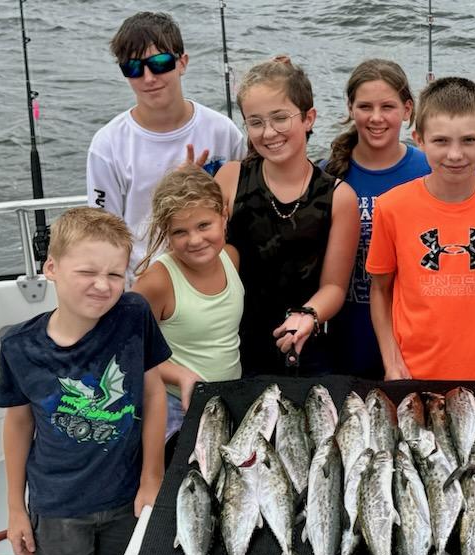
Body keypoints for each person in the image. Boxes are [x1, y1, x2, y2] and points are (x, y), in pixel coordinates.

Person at [0, 207, 170, 555]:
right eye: (87, 271)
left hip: (127, 500)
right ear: (51, 268)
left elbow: (152, 393)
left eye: (115, 274)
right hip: (57, 510)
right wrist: (16, 510)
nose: (103, 285)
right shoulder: (17, 346)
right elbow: (18, 425)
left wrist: (152, 478)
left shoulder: (134, 315)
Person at [366, 77, 475, 381]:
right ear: (419, 138)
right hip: (411, 372)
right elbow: (380, 289)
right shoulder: (391, 207)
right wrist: (392, 363)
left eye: (469, 140)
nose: (455, 154)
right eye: (441, 141)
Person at [215, 56, 359, 376]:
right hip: (235, 346)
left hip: (307, 347)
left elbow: (334, 286)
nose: (269, 133)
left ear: (309, 118)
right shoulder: (229, 177)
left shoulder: (339, 197)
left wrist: (308, 315)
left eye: (280, 118)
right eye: (255, 122)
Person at [86, 11, 245, 277]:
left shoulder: (223, 131)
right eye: (133, 68)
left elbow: (243, 208)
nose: (148, 78)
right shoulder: (107, 145)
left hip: (216, 278)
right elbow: (104, 232)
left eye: (159, 63)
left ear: (182, 63)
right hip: (144, 284)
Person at [323, 59, 431, 378]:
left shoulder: (429, 169)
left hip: (413, 336)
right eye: (365, 106)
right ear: (350, 108)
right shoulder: (328, 174)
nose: (376, 117)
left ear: (407, 109)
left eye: (388, 106)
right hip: (347, 334)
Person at [132, 165, 243, 450]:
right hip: (174, 408)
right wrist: (179, 375)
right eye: (180, 231)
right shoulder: (157, 281)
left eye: (204, 225)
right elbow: (129, 351)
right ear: (165, 233)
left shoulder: (232, 258)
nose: (195, 240)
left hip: (228, 398)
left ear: (224, 216)